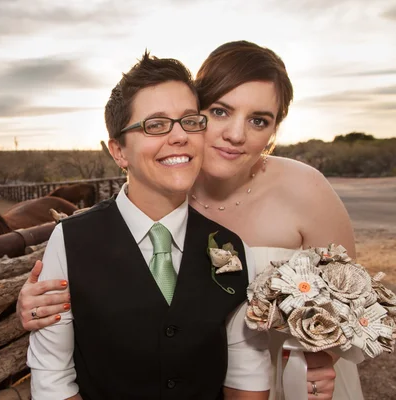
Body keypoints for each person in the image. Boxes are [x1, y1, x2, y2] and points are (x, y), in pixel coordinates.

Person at [18, 41, 365, 400]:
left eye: (259, 120)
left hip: (297, 380)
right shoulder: (166, 180)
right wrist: (35, 300)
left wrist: (324, 354)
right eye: (219, 112)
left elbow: (350, 300)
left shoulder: (304, 189)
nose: (236, 134)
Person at [27, 52, 271, 399]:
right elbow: (53, 377)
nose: (180, 137)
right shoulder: (70, 242)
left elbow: (247, 373)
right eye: (155, 125)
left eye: (190, 121)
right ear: (119, 151)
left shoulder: (230, 248)